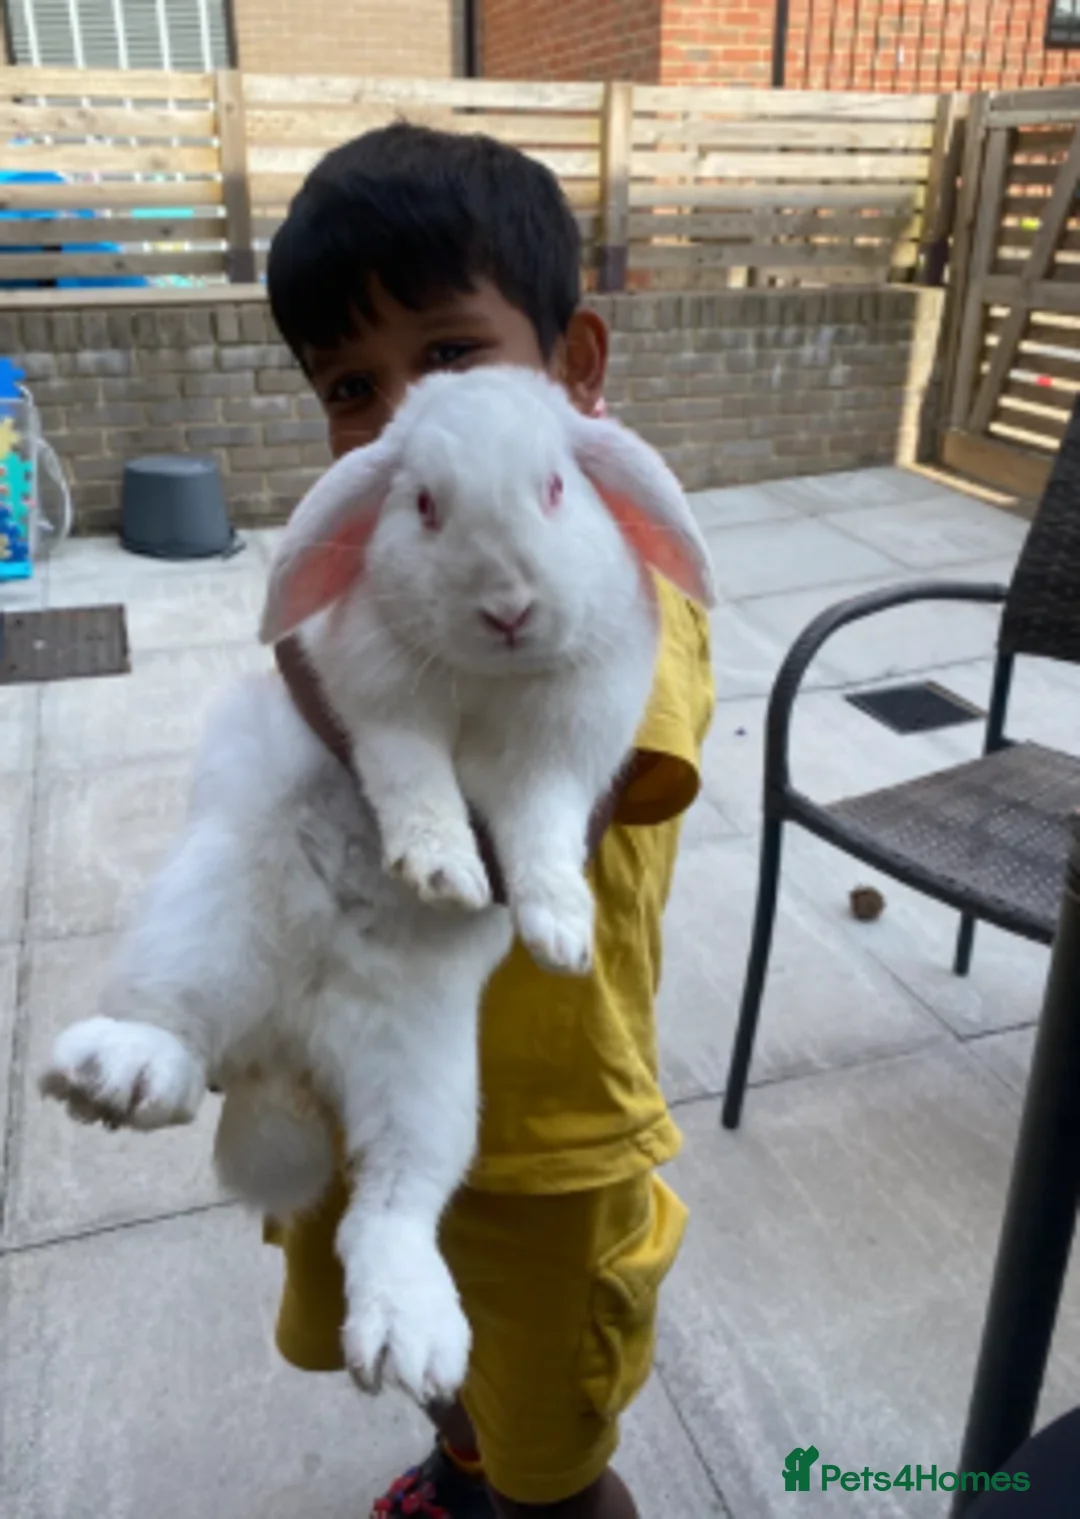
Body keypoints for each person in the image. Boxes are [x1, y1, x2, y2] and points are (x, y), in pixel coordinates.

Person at [263, 121, 716, 1519]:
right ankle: (459, 1457)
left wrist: (334, 692)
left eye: (450, 354)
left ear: (577, 369)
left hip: (545, 1143)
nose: (403, 415)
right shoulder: (383, 580)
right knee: (436, 1355)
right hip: (383, 1097)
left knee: (553, 1453)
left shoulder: (630, 604)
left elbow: (558, 822)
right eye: (353, 383)